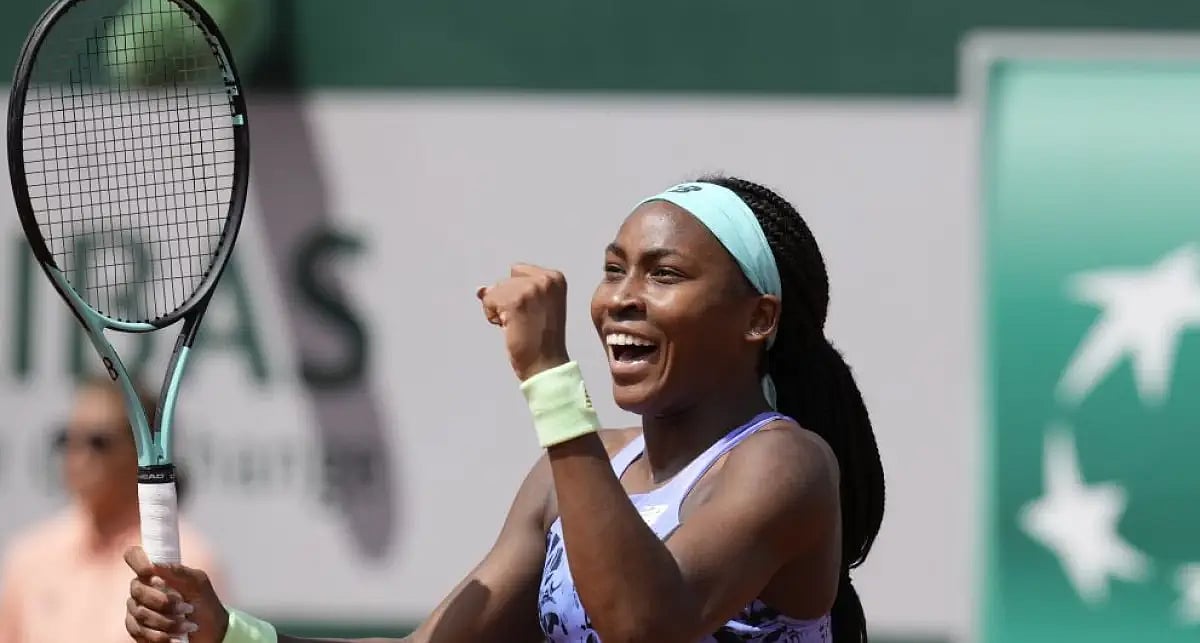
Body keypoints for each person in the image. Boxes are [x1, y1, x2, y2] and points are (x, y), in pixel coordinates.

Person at [123, 175, 886, 643]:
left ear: (758, 318)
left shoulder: (787, 464)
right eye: (615, 268)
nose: (620, 297)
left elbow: (645, 623)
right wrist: (234, 633)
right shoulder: (574, 476)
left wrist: (551, 377)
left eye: (664, 273)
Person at [0, 374, 223, 643]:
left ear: (140, 452)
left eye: (97, 441)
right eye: (67, 438)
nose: (76, 455)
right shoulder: (29, 559)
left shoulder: (188, 562)